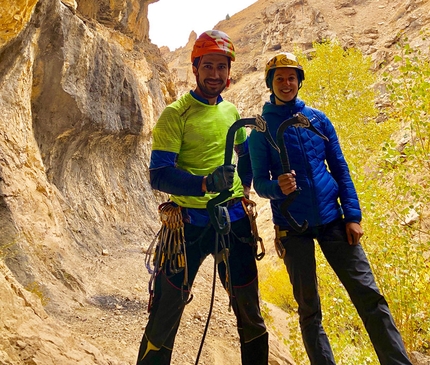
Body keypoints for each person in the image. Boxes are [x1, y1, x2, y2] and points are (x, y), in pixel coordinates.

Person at [248, 52, 412, 365]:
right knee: (309, 309)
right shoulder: (260, 130)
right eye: (279, 78)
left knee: (369, 295)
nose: (286, 83)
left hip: (332, 219)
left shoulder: (318, 119)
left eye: (291, 77)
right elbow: (259, 183)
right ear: (270, 83)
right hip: (292, 225)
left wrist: (353, 216)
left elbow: (339, 168)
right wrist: (276, 187)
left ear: (299, 81)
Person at [136, 30, 268, 365]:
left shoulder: (232, 112)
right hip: (189, 226)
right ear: (195, 68)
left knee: (249, 310)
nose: (215, 74)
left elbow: (245, 154)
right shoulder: (175, 115)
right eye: (207, 66)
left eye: (221, 67)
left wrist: (245, 187)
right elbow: (160, 174)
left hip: (234, 221)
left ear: (229, 71)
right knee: (166, 312)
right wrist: (205, 184)